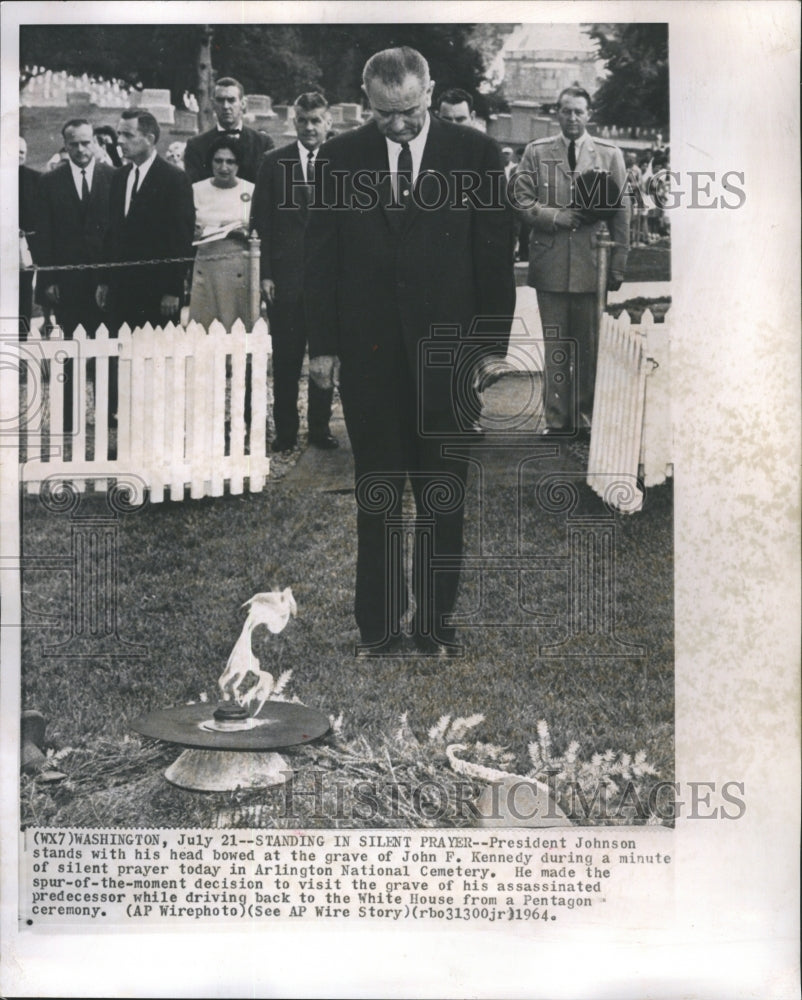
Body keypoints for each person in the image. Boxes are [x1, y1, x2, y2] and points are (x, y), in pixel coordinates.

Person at [305, 46, 515, 655]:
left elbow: (493, 258)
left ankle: (434, 624)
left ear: (428, 94)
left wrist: (489, 348)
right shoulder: (339, 158)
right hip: (369, 358)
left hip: (448, 359)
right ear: (368, 104)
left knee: (441, 495)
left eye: (409, 111)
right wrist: (323, 345)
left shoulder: (475, 154)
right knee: (378, 494)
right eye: (384, 114)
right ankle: (379, 626)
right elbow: (320, 259)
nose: (398, 125)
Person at [512, 86, 629, 437]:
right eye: (566, 111)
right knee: (556, 347)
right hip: (550, 264)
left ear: (589, 114)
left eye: (579, 111)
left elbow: (622, 212)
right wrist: (553, 217)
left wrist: (618, 264)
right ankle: (558, 421)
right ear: (557, 113)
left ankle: (587, 419)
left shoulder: (609, 155)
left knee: (590, 346)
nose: (573, 118)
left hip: (594, 263)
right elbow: (519, 197)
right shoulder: (536, 152)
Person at [251, 92, 337, 453]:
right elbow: (261, 223)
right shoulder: (274, 162)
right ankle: (285, 431)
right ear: (294, 122)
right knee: (285, 362)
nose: (309, 127)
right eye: (303, 120)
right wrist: (266, 274)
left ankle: (320, 428)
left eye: (316, 120)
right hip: (285, 282)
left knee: (324, 358)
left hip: (327, 284)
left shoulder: (340, 162)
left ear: (328, 122)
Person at [98, 108, 195, 333]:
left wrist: (173, 290)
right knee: (121, 357)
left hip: (158, 293)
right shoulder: (120, 177)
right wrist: (104, 279)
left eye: (128, 135)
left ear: (150, 139)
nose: (120, 141)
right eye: (119, 134)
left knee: (154, 358)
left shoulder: (174, 179)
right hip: (121, 288)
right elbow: (112, 232)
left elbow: (180, 238)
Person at [34, 119, 114, 338]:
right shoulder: (49, 182)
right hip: (67, 280)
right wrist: (49, 279)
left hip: (104, 279)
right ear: (65, 145)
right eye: (73, 144)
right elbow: (43, 235)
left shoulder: (114, 177)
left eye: (86, 143)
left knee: (106, 343)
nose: (80, 149)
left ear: (95, 142)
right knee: (71, 342)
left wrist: (111, 277)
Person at [188, 136, 253, 330]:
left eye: (230, 161)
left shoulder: (251, 191)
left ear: (238, 164)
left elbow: (260, 230)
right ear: (210, 162)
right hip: (206, 267)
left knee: (237, 326)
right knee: (204, 328)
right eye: (218, 160)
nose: (224, 167)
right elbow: (187, 228)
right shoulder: (196, 190)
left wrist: (244, 232)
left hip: (238, 267)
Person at [183, 78, 274, 184]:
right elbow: (195, 187)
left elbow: (268, 186)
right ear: (213, 104)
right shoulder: (196, 145)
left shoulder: (263, 144)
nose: (226, 106)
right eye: (220, 100)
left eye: (231, 100)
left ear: (243, 103)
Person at [18, 137, 40, 337]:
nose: (18, 156)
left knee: (24, 293)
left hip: (24, 248)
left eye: (21, 152)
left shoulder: (35, 179)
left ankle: (21, 338)